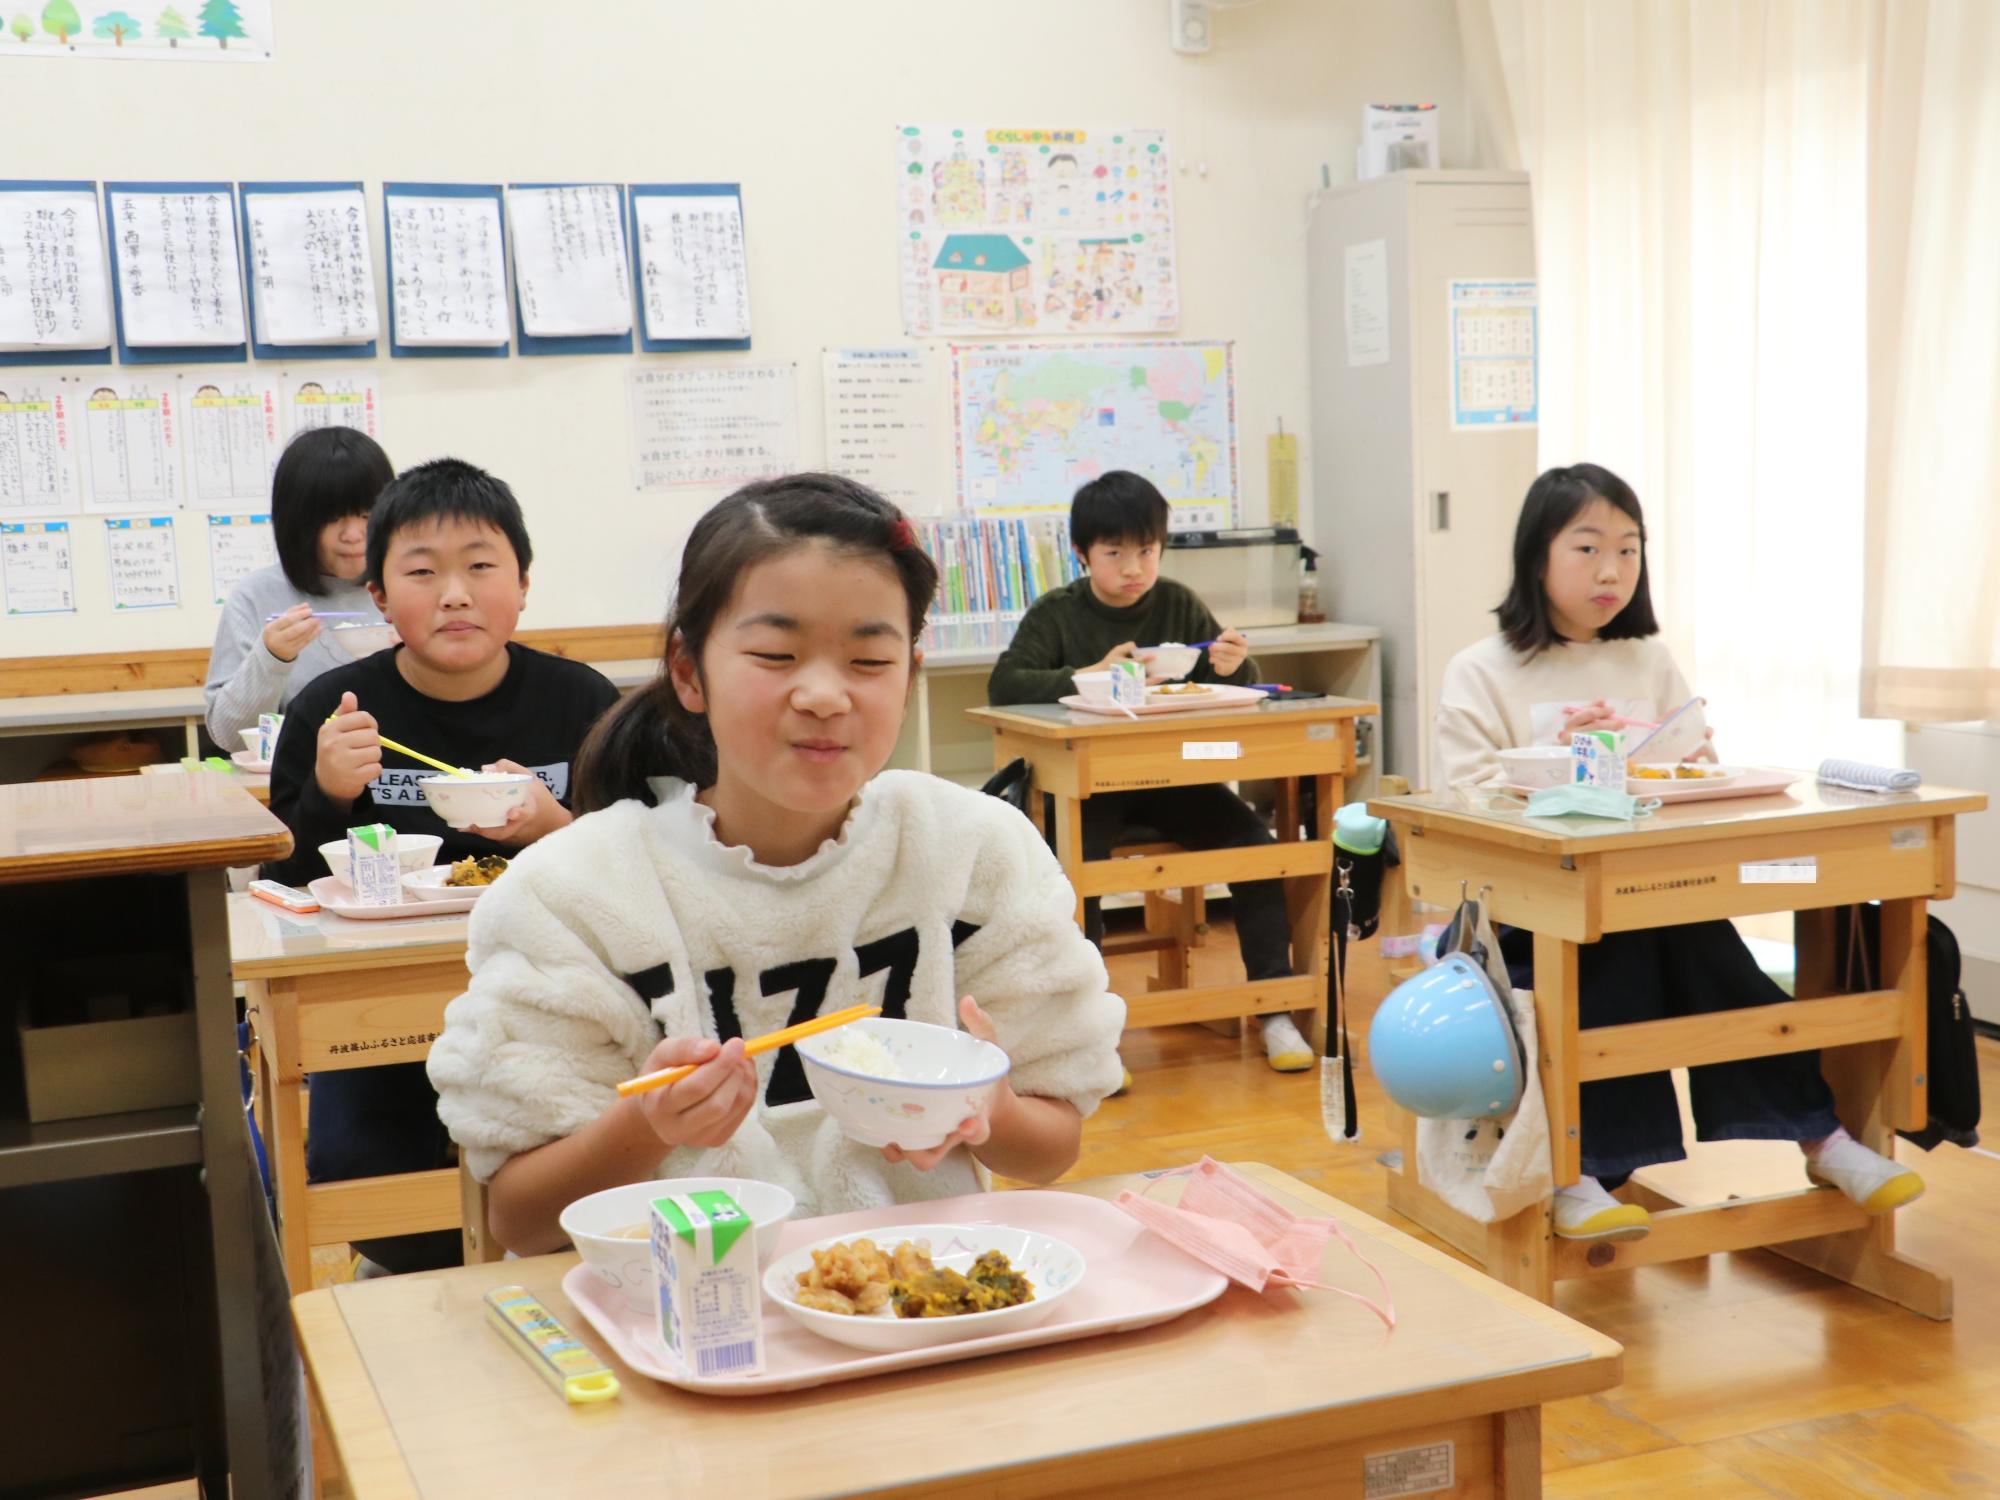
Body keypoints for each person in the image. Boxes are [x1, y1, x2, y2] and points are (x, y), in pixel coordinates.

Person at [425, 473, 1125, 1253]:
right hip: (686, 1315)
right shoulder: (576, 894)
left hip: (926, 1304)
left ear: (909, 673)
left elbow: (1054, 1148)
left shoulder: (970, 853)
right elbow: (517, 1219)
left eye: (868, 662)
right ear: (689, 672)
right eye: (776, 654)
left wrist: (989, 1108)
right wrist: (646, 1126)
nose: (825, 694)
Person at [1435, 462, 1922, 1241]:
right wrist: (1561, 758)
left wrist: (1687, 760)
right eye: (1588, 548)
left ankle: (1822, 1140)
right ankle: (1582, 1170)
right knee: (1632, 955)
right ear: (1538, 558)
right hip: (1527, 915)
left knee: (1706, 948)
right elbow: (1461, 797)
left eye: (1629, 550)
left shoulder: (1646, 657)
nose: (1612, 571)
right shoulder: (1481, 667)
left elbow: (1686, 766)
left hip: (1644, 895)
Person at [264, 457, 619, 1273]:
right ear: (380, 597)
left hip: (547, 992)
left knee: (573, 1148)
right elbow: (277, 883)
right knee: (359, 1170)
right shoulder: (332, 710)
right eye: (422, 572)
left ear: (522, 584)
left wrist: (554, 823)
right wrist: (323, 789)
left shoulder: (582, 703)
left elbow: (634, 858)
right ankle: (412, 1268)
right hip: (372, 1007)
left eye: (481, 567)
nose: (454, 593)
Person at [987, 469, 1312, 1072]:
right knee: (1070, 874)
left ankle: (1275, 1009)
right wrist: (1091, 671)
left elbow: (1227, 679)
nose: (1133, 568)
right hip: (1089, 784)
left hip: (1180, 773)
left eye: (1147, 551)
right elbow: (1005, 685)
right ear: (1083, 554)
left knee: (1257, 849)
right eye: (1115, 553)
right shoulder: (1057, 614)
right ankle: (1084, 1032)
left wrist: (1236, 664)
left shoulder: (1179, 603)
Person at [204, 428, 394, 746]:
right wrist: (271, 657)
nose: (354, 534)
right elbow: (229, 737)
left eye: (367, 514)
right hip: (302, 785)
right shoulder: (256, 597)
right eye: (334, 518)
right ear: (298, 522)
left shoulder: (411, 586)